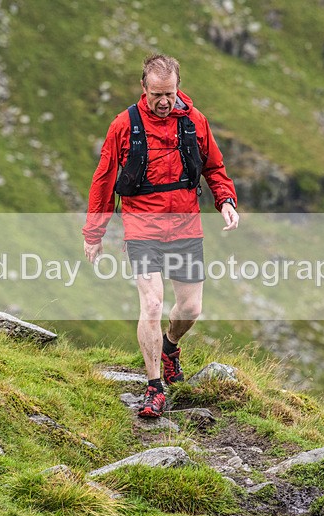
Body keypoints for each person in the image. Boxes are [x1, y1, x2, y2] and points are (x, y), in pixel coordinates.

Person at [83, 53, 239, 418]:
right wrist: (94, 233)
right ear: (143, 88)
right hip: (142, 227)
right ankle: (154, 387)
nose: (164, 101)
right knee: (152, 304)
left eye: (169, 93)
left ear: (177, 87)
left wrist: (227, 201)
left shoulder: (195, 122)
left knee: (190, 309)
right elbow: (104, 180)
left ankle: (170, 347)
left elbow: (214, 167)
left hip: (185, 226)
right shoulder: (124, 125)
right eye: (156, 94)